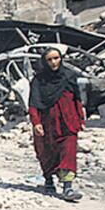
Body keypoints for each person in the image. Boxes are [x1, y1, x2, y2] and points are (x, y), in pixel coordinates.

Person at [28, 47, 86, 201]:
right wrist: (36, 122)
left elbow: (77, 98)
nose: (54, 62)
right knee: (47, 151)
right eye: (50, 59)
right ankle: (48, 179)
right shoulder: (39, 81)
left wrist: (80, 116)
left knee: (69, 151)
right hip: (48, 122)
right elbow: (33, 103)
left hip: (68, 120)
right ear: (44, 62)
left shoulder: (69, 76)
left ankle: (68, 187)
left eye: (56, 58)